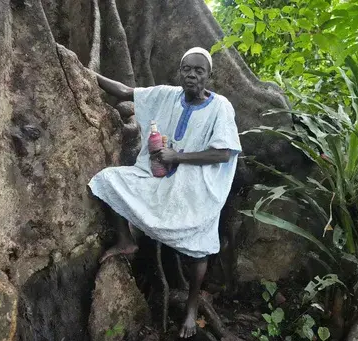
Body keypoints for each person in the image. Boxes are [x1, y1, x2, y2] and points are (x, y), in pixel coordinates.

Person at [88, 47, 242, 338]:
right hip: (159, 177)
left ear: (209, 76)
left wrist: (178, 158)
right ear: (180, 71)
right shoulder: (167, 95)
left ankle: (192, 308)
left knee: (199, 247)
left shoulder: (220, 106)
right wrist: (84, 71)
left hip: (197, 186)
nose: (192, 75)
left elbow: (223, 153)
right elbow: (123, 91)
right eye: (187, 69)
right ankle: (125, 240)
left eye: (199, 71)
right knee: (107, 181)